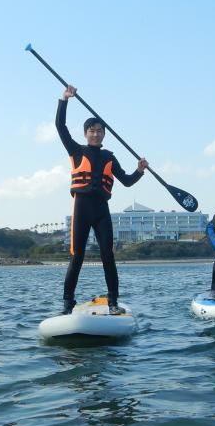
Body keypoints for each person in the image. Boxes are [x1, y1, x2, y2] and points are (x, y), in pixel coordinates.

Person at [56, 85, 148, 315]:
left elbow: (126, 181)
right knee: (77, 256)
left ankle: (113, 301)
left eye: (99, 131)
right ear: (86, 133)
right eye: (92, 130)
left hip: (101, 210)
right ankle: (68, 303)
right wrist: (64, 99)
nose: (96, 134)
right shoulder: (76, 151)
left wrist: (139, 171)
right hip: (82, 206)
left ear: (104, 134)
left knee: (108, 255)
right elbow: (60, 126)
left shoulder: (109, 157)